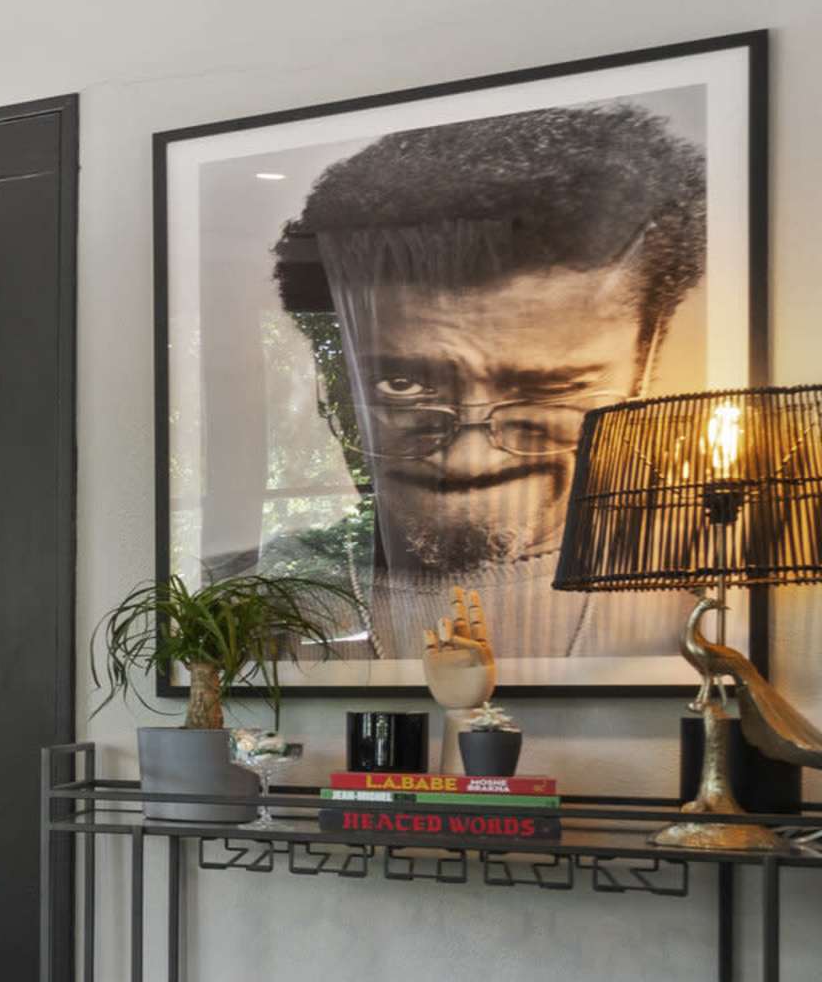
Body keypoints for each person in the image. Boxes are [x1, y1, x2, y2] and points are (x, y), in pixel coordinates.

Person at [245, 101, 708, 663]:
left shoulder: (704, 606)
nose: (468, 462)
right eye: (401, 385)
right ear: (331, 387)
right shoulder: (250, 608)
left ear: (646, 365)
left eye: (546, 391)